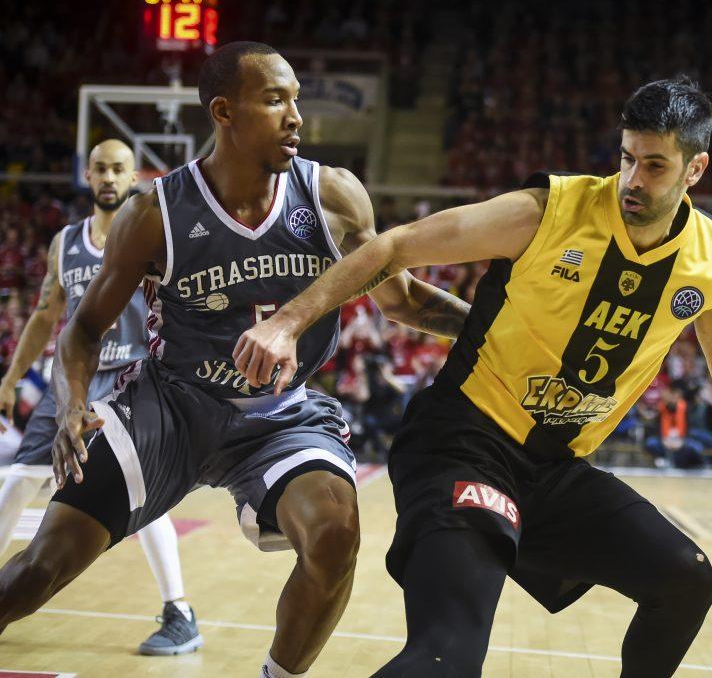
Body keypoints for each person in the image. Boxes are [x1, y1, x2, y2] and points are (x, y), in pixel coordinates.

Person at [235, 77, 712, 677]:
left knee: (685, 579)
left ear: (696, 169)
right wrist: (288, 320)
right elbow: (395, 246)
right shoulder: (550, 210)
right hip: (463, 444)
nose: (633, 178)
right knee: (448, 655)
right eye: (627, 158)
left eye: (654, 165)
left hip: (555, 472)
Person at [0, 42, 469, 678]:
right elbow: (81, 330)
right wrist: (72, 408)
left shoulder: (332, 196)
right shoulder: (153, 212)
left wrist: (495, 328)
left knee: (335, 534)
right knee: (40, 569)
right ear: (224, 111)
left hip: (281, 416)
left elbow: (403, 300)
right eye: (276, 100)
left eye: (297, 99)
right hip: (169, 406)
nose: (296, 115)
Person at [0, 139, 201, 655]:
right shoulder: (65, 242)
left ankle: (179, 610)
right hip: (71, 378)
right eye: (101, 170)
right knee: (18, 482)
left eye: (119, 170)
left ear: (133, 176)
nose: (110, 178)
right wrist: (10, 377)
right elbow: (47, 317)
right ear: (86, 176)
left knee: (141, 497)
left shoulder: (149, 235)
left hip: (131, 377)